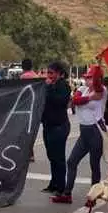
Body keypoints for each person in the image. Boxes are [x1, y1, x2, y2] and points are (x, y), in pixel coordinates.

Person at [52, 65, 106, 204]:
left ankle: (93, 196)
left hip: (96, 130)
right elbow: (74, 101)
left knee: (94, 165)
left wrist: (97, 74)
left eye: (90, 78)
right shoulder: (83, 89)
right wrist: (89, 97)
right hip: (84, 131)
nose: (87, 80)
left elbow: (98, 91)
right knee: (72, 161)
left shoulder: (103, 91)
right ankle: (67, 193)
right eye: (86, 78)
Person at [41, 61, 72, 195]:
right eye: (48, 73)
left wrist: (48, 88)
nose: (49, 75)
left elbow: (59, 101)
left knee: (58, 157)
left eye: (51, 73)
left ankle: (61, 186)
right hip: (48, 125)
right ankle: (53, 183)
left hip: (59, 126)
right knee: (51, 156)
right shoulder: (49, 86)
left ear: (59, 74)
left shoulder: (63, 86)